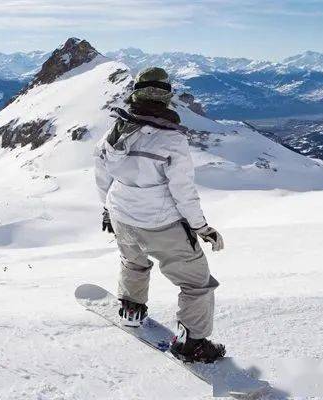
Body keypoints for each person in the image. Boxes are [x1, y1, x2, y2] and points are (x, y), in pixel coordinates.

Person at [93, 67, 226, 364]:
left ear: (135, 94)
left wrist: (106, 209)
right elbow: (183, 192)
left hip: (121, 215)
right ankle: (193, 344)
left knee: (134, 261)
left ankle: (131, 310)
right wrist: (201, 228)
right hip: (159, 222)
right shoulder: (171, 140)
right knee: (197, 283)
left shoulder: (114, 133)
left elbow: (102, 175)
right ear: (167, 97)